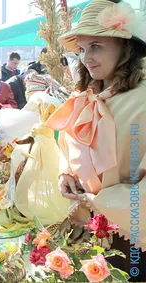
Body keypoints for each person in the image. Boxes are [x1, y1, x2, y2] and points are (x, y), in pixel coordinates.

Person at [45, 0, 146, 281]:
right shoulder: (82, 99)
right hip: (84, 230)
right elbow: (67, 147)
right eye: (82, 49)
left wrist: (105, 201)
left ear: (125, 49)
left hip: (132, 238)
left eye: (96, 46)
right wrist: (64, 173)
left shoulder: (143, 102)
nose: (86, 57)